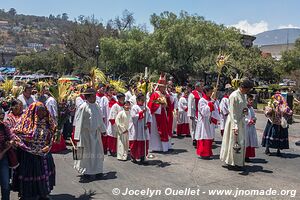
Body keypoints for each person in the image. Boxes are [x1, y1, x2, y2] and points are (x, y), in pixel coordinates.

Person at [13, 102, 56, 200]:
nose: (42, 113)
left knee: (43, 174)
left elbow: (51, 136)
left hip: (44, 153)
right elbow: (16, 134)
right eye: (39, 111)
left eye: (43, 111)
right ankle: (29, 195)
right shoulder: (25, 123)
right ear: (34, 112)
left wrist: (48, 145)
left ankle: (43, 193)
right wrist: (27, 143)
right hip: (29, 155)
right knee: (31, 174)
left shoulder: (48, 123)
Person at [220, 79, 254, 169]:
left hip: (241, 121)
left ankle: (239, 162)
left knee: (241, 142)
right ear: (243, 87)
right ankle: (232, 162)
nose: (248, 91)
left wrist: (245, 111)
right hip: (233, 122)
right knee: (233, 142)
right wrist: (235, 126)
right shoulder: (233, 96)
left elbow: (243, 107)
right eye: (247, 89)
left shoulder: (244, 95)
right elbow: (232, 112)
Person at [74, 88, 107, 179]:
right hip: (86, 135)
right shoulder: (83, 107)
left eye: (95, 95)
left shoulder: (96, 106)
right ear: (88, 97)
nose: (95, 97)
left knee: (97, 152)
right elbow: (78, 122)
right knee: (86, 154)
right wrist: (76, 136)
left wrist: (103, 130)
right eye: (93, 96)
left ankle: (98, 171)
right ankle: (86, 171)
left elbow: (100, 119)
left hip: (96, 134)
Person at [195, 85, 220, 159]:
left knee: (209, 137)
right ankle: (203, 153)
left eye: (212, 91)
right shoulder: (202, 100)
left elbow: (215, 110)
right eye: (210, 91)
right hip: (204, 121)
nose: (211, 93)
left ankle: (208, 152)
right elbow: (203, 112)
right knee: (204, 136)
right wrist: (210, 105)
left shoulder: (211, 100)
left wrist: (216, 117)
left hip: (210, 121)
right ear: (206, 91)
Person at [148, 74, 170, 152]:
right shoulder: (155, 94)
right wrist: (160, 106)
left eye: (164, 87)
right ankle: (156, 147)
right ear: (159, 87)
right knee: (156, 131)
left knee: (164, 129)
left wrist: (165, 105)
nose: (164, 88)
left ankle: (164, 146)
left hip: (162, 113)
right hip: (156, 115)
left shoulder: (163, 94)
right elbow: (151, 105)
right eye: (163, 87)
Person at [129, 93, 151, 163]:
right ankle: (133, 156)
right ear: (137, 100)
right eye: (140, 99)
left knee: (144, 143)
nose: (142, 101)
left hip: (144, 127)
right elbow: (133, 117)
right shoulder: (134, 107)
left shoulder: (146, 107)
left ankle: (142, 156)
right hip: (137, 128)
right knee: (135, 143)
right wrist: (141, 113)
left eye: (143, 99)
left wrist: (147, 124)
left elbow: (149, 117)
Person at [0, 108, 17, 200]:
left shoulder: (3, 126)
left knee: (5, 184)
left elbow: (12, 138)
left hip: (3, 159)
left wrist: (4, 150)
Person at [187, 82, 203, 147]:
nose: (202, 88)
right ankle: (194, 139)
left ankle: (198, 138)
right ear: (197, 87)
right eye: (201, 86)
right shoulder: (192, 94)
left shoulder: (202, 94)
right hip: (194, 112)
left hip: (200, 113)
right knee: (194, 127)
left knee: (199, 127)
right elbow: (190, 104)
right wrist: (190, 114)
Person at [244, 94, 259, 162]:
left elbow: (253, 116)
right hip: (245, 127)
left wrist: (254, 119)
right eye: (250, 100)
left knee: (250, 141)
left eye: (252, 100)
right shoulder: (244, 108)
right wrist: (248, 121)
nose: (251, 101)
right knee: (246, 141)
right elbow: (243, 117)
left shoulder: (251, 108)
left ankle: (248, 156)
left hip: (251, 127)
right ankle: (244, 155)